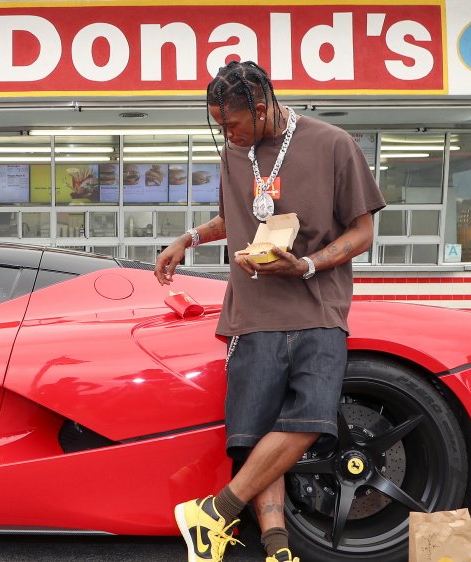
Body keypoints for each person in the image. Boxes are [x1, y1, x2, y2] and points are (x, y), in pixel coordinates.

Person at [154, 60, 385, 562]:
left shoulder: (333, 144)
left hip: (318, 308)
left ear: (261, 108)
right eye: (218, 124)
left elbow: (362, 231)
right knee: (255, 435)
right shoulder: (236, 152)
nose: (225, 133)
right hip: (252, 313)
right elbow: (232, 216)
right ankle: (277, 549)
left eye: (231, 122)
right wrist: (187, 239)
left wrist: (305, 265)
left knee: (310, 419)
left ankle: (215, 512)